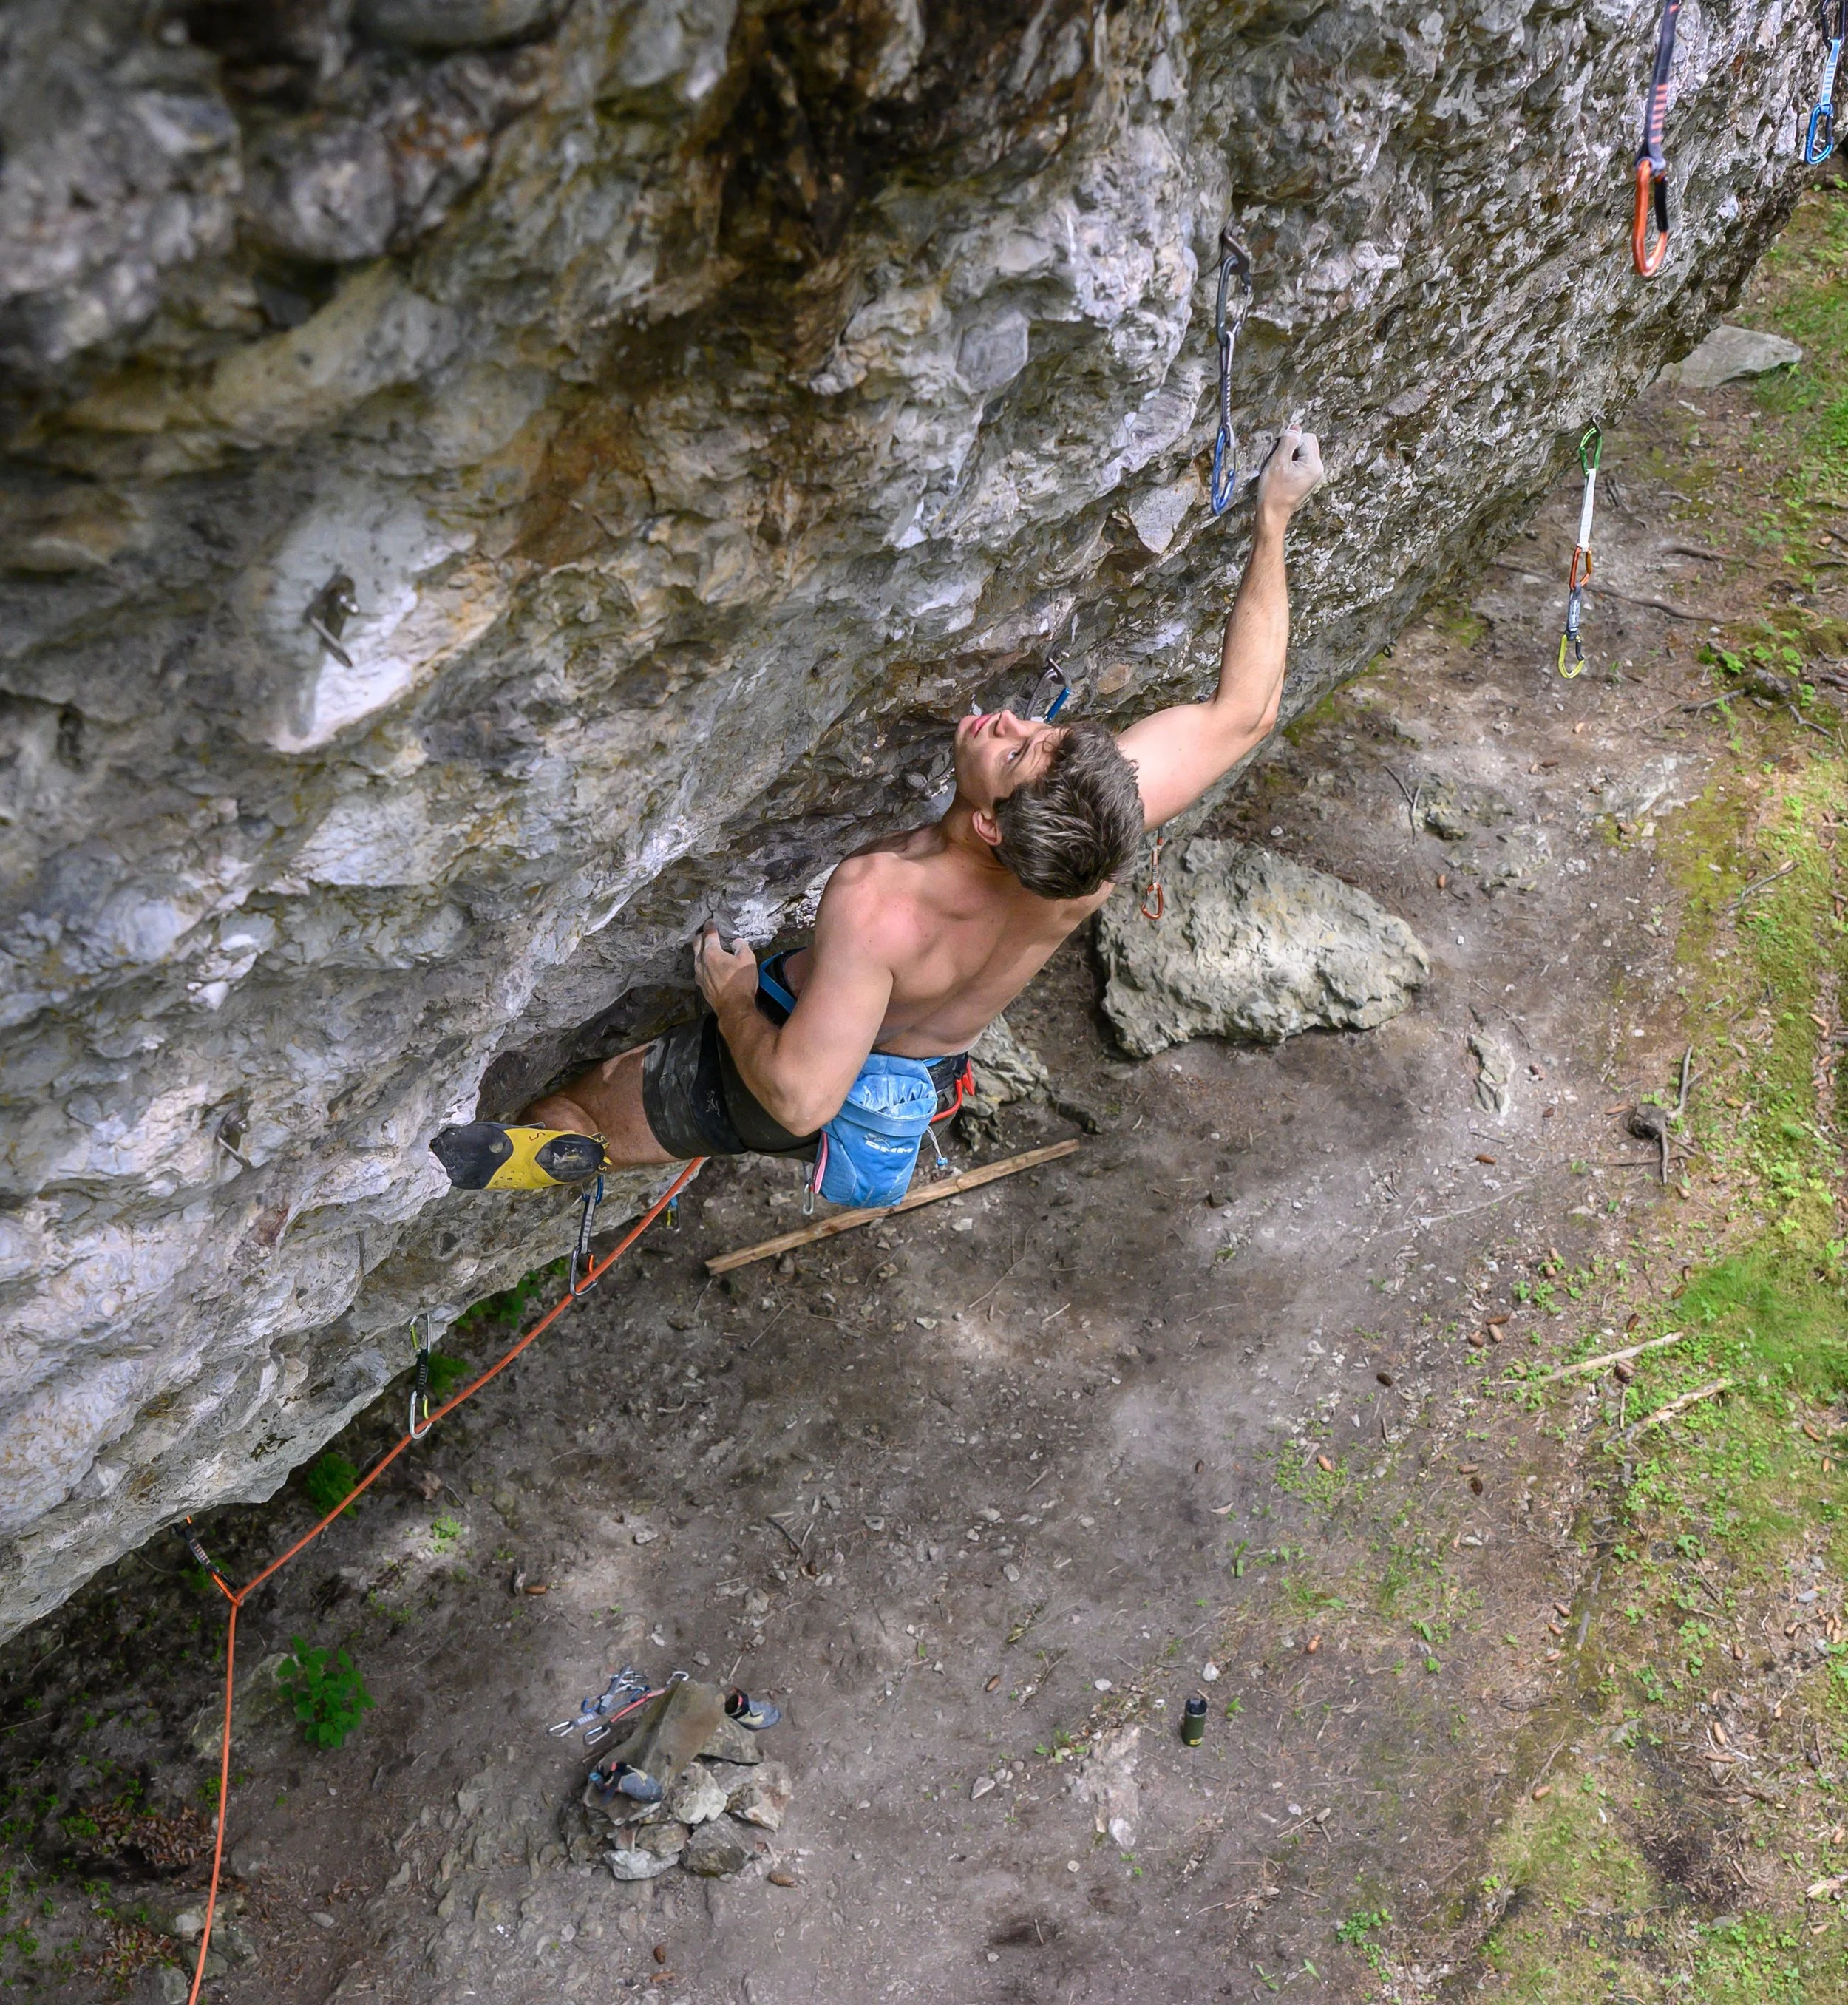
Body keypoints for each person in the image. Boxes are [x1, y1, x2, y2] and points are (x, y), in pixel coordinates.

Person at [431, 427, 1325, 1195]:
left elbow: (799, 1099)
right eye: (1042, 735)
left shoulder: (879, 902)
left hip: (786, 1069)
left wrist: (738, 1000)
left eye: (1011, 751)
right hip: (915, 1064)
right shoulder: (1082, 843)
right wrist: (1275, 515)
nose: (1012, 722)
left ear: (988, 827)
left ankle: (515, 1155)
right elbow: (1241, 713)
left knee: (577, 1111)